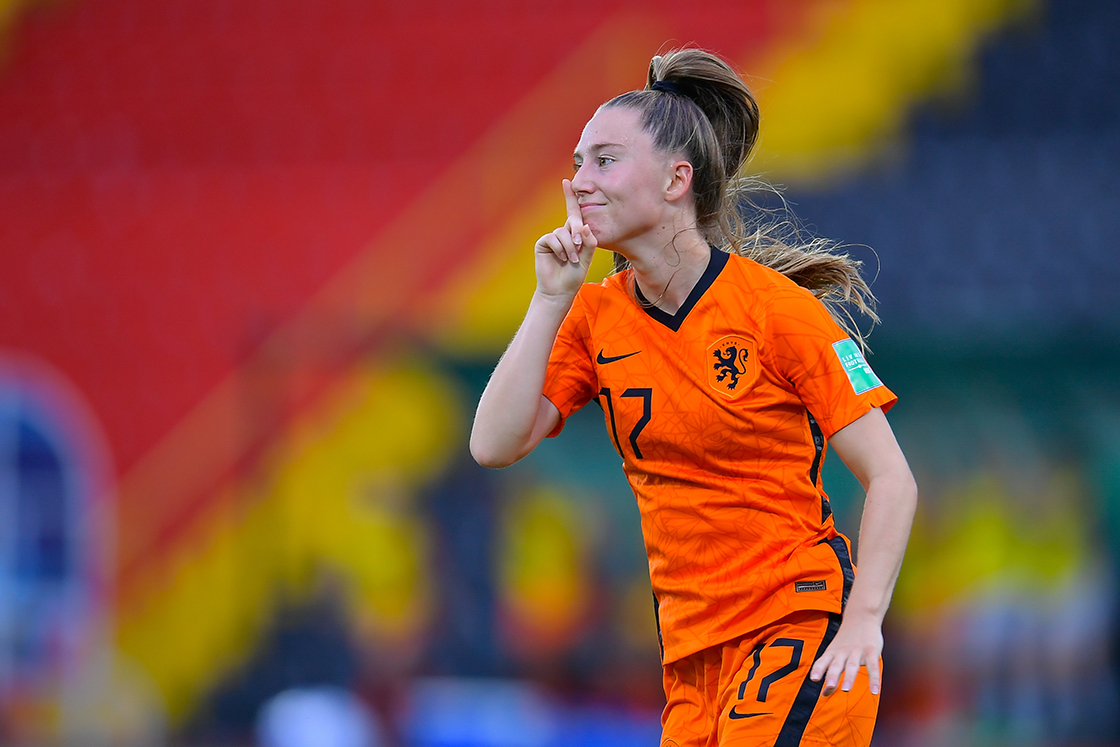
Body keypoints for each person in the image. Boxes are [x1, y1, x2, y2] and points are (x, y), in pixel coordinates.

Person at [470, 47, 917, 747]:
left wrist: (864, 619)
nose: (579, 181)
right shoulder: (592, 316)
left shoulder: (777, 310)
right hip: (691, 665)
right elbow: (493, 444)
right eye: (578, 162)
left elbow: (892, 478)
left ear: (677, 179)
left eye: (605, 161)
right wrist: (549, 299)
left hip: (799, 631)